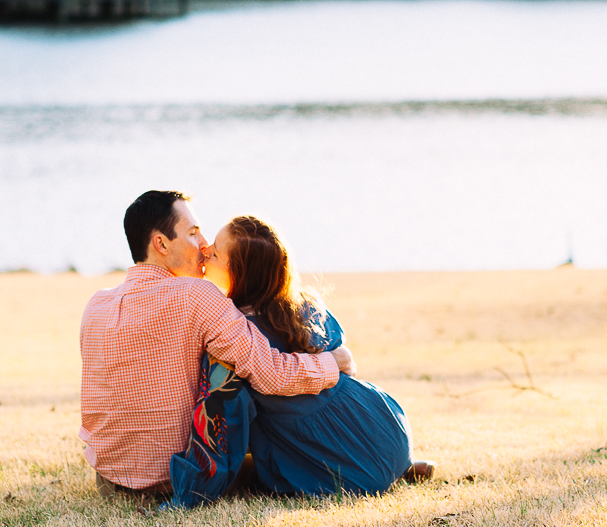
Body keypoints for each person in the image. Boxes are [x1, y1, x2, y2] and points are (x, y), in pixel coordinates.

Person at [79, 190, 356, 501]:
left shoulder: (96, 304)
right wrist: (334, 362)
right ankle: (363, 465)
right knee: (241, 387)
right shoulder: (197, 295)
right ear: (161, 243)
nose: (204, 244)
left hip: (110, 481)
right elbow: (271, 374)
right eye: (193, 233)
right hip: (176, 479)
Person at [183, 214, 433, 501]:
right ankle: (399, 466)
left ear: (238, 274)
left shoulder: (238, 330)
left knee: (270, 462)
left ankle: (380, 468)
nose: (205, 252)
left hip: (331, 455)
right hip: (384, 426)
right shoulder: (304, 304)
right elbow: (343, 358)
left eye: (214, 252)